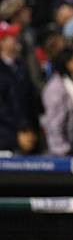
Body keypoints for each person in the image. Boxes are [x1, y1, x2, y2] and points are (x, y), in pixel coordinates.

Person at [0, 22, 40, 154]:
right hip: (5, 136)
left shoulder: (21, 65)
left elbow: (30, 100)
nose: (16, 40)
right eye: (11, 37)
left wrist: (30, 129)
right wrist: (19, 130)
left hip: (27, 135)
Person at [42, 47, 73, 155]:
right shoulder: (56, 87)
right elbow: (54, 122)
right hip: (63, 152)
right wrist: (61, 149)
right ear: (67, 63)